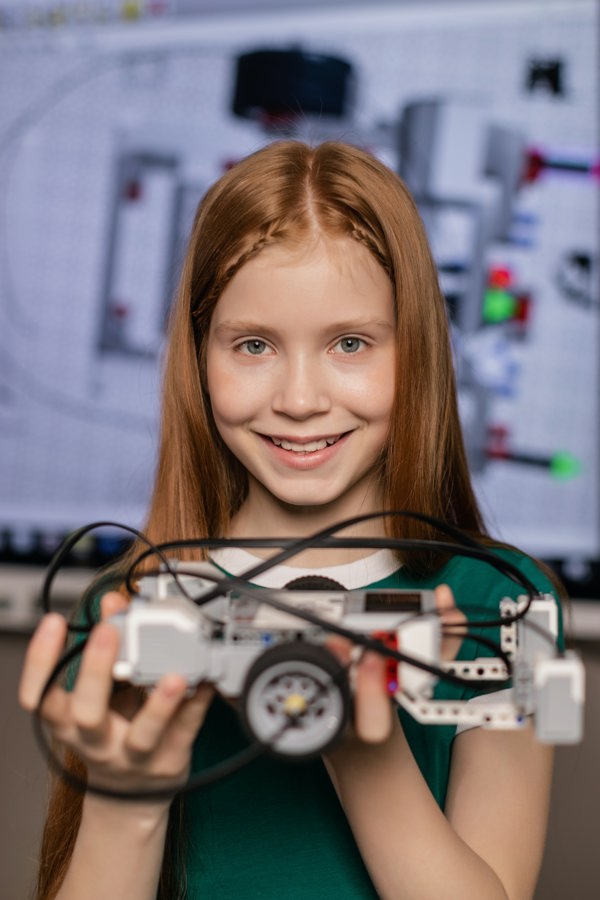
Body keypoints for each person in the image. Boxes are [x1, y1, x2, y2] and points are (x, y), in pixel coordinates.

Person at [19, 140, 562, 900]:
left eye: (350, 343)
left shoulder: (514, 603)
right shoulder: (129, 608)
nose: (300, 399)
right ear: (198, 359)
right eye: (252, 345)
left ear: (418, 352)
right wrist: (124, 803)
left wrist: (359, 751)